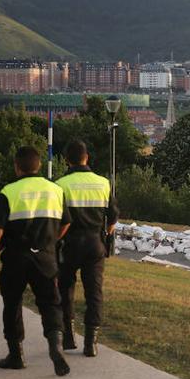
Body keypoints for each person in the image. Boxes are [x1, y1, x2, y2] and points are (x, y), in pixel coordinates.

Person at [0, 146, 71, 376]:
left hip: (16, 257)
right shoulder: (56, 190)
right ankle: (56, 346)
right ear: (38, 165)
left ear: (17, 166)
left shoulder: (9, 191)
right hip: (46, 258)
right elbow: (66, 222)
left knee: (13, 304)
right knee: (50, 303)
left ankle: (16, 355)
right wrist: (50, 241)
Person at [56, 140, 118, 357]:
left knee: (65, 289)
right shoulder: (103, 183)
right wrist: (105, 235)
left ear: (67, 160)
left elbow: (57, 219)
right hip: (95, 244)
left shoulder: (60, 185)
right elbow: (113, 217)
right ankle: (91, 343)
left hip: (68, 244)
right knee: (94, 292)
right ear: (87, 157)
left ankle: (69, 336)